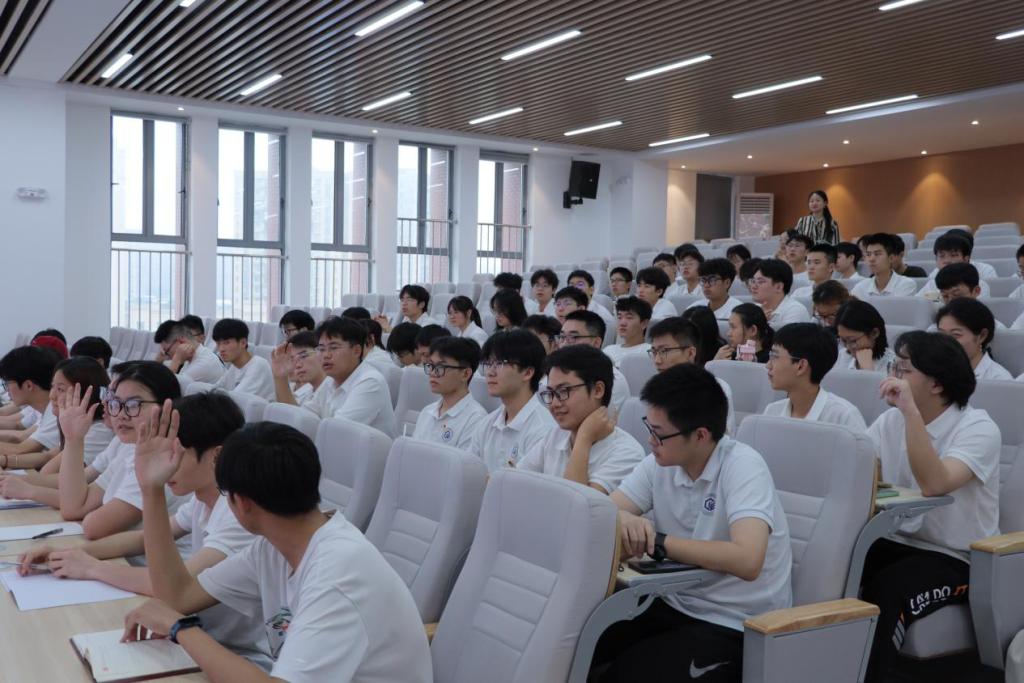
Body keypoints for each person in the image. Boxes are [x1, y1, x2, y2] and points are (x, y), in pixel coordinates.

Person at [120, 420, 432, 682]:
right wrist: (152, 490)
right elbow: (179, 596)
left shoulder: (338, 574)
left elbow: (176, 608)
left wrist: (181, 628)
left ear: (242, 503)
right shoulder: (273, 547)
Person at [18, 393, 272, 668]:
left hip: (235, 655)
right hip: (192, 639)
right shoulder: (202, 498)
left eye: (174, 453)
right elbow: (140, 539)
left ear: (216, 456)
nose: (165, 465)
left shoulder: (239, 513)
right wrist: (70, 553)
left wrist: (91, 567)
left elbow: (175, 588)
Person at [593, 364, 793, 683]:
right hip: (672, 600)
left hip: (735, 620)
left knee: (628, 674)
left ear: (700, 435)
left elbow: (748, 559)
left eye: (659, 433)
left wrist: (658, 542)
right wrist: (623, 518)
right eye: (649, 427)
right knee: (579, 647)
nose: (650, 440)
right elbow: (599, 514)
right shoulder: (660, 462)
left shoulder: (743, 466)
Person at [861, 331, 1000, 681]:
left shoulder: (978, 428)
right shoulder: (889, 421)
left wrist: (910, 413)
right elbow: (859, 471)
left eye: (904, 370)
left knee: (889, 589)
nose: (894, 377)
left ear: (936, 384)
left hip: (957, 557)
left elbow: (935, 484)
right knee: (840, 566)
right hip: (898, 540)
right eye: (894, 367)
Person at [57, 361, 185, 540]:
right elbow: (74, 507)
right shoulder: (128, 447)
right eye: (116, 403)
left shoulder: (165, 460)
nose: (121, 414)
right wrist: (73, 440)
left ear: (167, 406)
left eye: (133, 404)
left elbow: (94, 527)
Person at [519, 346, 644, 493]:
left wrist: (584, 438)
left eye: (563, 391)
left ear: (598, 390)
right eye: (550, 393)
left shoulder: (627, 453)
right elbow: (517, 484)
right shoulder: (555, 436)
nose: (554, 404)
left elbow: (576, 503)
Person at [271, 316, 397, 437]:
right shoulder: (330, 381)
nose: (326, 355)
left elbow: (334, 433)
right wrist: (280, 378)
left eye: (333, 347)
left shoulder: (370, 382)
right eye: (321, 349)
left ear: (356, 351)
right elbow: (302, 419)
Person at [469, 330, 556, 472]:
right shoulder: (487, 423)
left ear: (527, 372)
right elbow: (469, 474)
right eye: (488, 363)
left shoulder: (544, 429)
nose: (490, 372)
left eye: (499, 363)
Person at [764, 323, 867, 430]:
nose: (768, 365)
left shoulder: (843, 417)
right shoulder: (772, 412)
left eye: (775, 356)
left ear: (801, 366)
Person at [648, 317, 736, 435]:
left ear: (690, 353)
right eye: (654, 352)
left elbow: (720, 440)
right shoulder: (655, 390)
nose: (657, 360)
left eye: (664, 351)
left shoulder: (715, 389)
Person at [412, 337, 487, 450]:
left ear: (465, 374)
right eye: (431, 365)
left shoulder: (476, 419)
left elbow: (462, 461)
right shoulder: (427, 411)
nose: (432, 373)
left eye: (440, 367)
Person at [556, 311, 630, 415]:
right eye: (562, 337)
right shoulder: (557, 372)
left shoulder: (612, 380)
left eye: (573, 337)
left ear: (596, 343)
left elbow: (600, 422)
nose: (564, 344)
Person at [0, 346, 62, 462]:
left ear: (28, 385)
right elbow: (20, 438)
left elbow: (20, 449)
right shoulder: (46, 407)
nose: (6, 390)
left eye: (7, 384)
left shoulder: (56, 412)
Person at [936, 298, 1012, 381]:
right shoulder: (933, 370)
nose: (945, 342)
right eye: (941, 334)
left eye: (956, 335)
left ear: (982, 336)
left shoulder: (999, 379)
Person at [210, 319, 275, 400]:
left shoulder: (259, 365)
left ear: (243, 343)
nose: (221, 349)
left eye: (226, 343)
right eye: (218, 343)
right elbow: (215, 390)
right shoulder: (235, 367)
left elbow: (235, 399)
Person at [918, 232, 994, 300]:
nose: (947, 261)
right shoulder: (932, 284)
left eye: (953, 255)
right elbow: (916, 304)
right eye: (942, 256)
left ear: (966, 259)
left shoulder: (980, 285)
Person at [154, 320, 225, 384]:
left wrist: (176, 361)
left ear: (181, 341)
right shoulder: (192, 356)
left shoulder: (203, 363)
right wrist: (158, 361)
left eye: (167, 350)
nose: (167, 355)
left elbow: (164, 388)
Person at [851, 233, 918, 298]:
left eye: (877, 254)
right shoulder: (860, 288)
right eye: (868, 254)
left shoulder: (905, 284)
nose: (871, 259)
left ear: (891, 258)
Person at [834, 300, 895, 372]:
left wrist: (867, 370)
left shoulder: (893, 363)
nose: (848, 347)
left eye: (853, 341)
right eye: (844, 341)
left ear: (874, 333)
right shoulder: (841, 356)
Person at [750, 258, 811, 328]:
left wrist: (761, 323)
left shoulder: (796, 311)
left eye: (760, 282)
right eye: (753, 281)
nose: (753, 286)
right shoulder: (755, 309)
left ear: (779, 287)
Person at [603, 296, 652, 366]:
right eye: (619, 317)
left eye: (629, 318)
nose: (622, 323)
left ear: (644, 323)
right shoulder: (608, 350)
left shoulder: (649, 352)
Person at [283, 332, 328, 404]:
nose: (298, 365)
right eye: (292, 359)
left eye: (303, 356)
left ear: (321, 352)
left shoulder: (332, 390)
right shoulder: (310, 393)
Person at [931, 263, 998, 311]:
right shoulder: (936, 326)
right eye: (945, 296)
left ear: (976, 291)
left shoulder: (993, 326)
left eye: (956, 295)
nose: (950, 301)